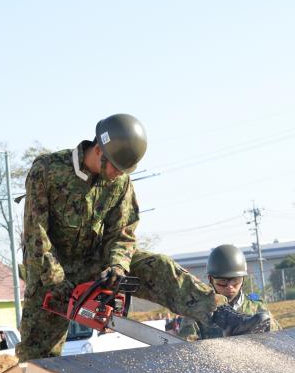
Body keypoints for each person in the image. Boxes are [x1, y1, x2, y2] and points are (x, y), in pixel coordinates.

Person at [16, 114, 264, 360]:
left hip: (94, 266)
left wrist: (118, 266)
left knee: (160, 266)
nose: (118, 175)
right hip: (49, 277)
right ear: (100, 151)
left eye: (124, 171)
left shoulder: (120, 183)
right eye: (116, 167)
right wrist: (60, 285)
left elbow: (123, 233)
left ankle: (224, 317)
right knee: (36, 360)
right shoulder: (47, 170)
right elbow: (36, 236)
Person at [178, 244, 272, 341]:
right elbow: (185, 349)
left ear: (243, 279)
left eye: (235, 280)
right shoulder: (196, 312)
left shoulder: (258, 307)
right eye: (223, 281)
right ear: (210, 279)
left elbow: (276, 339)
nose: (230, 286)